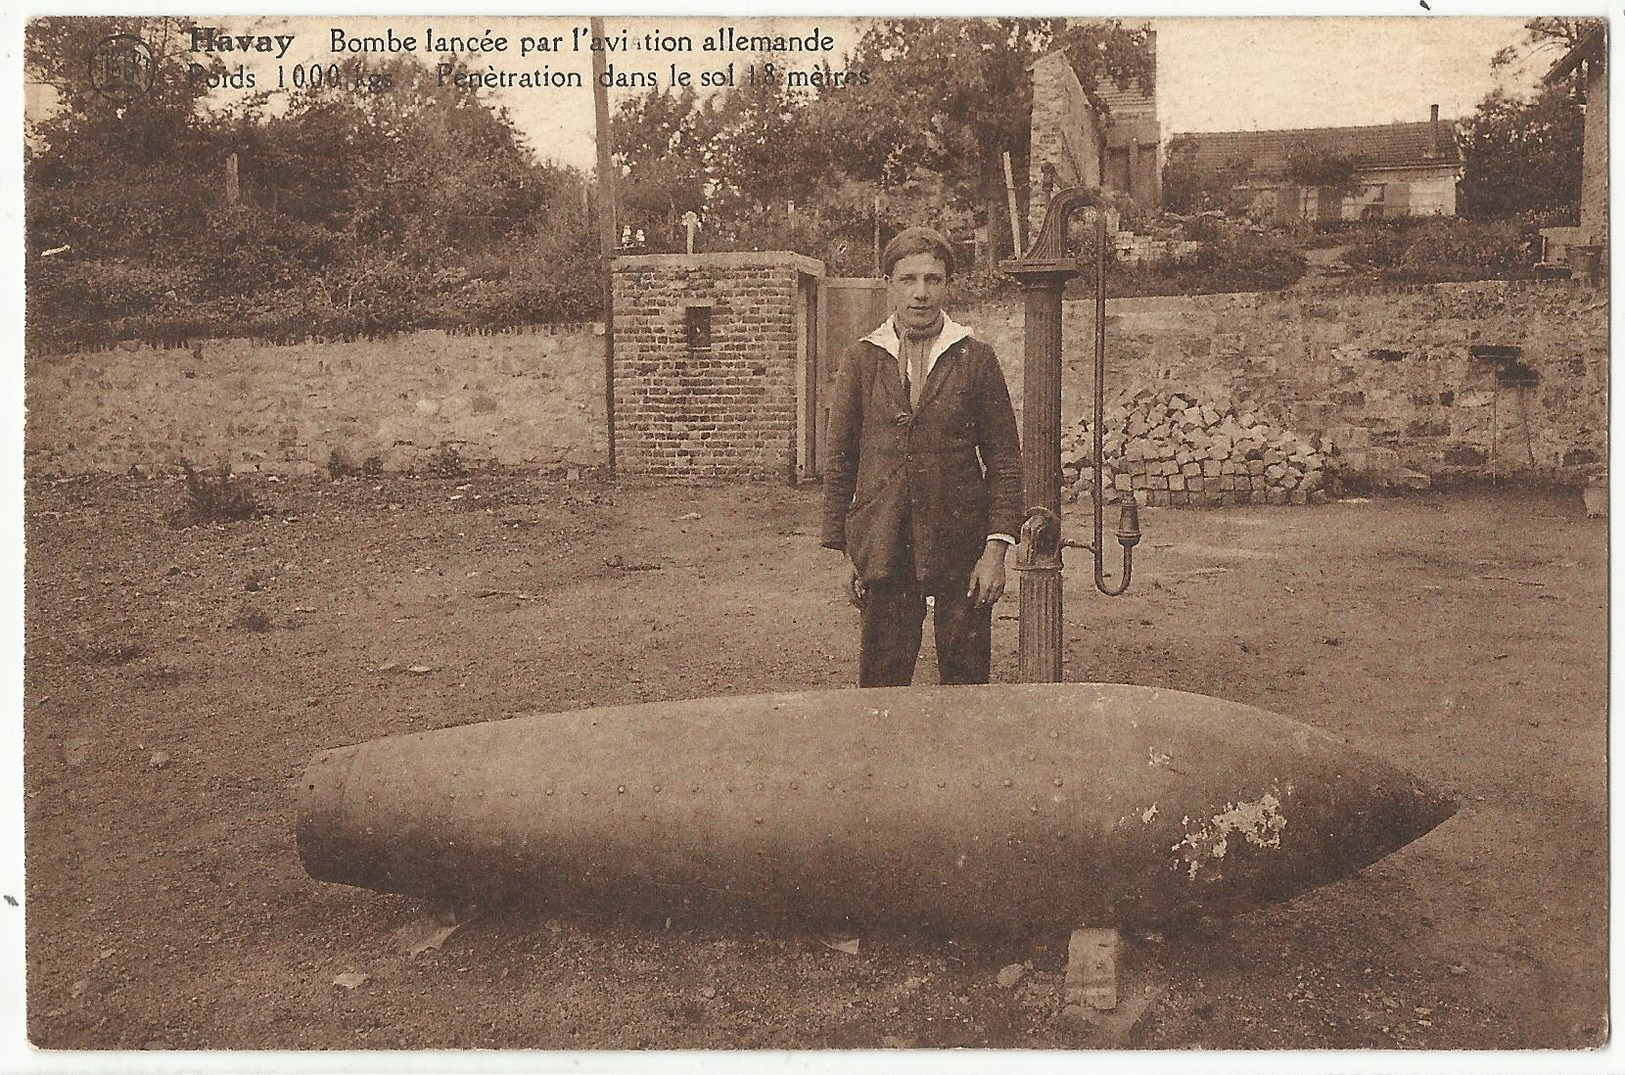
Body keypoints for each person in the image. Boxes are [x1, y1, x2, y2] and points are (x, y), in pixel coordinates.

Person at [820, 226, 1023, 687]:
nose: (920, 293)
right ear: (889, 283)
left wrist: (995, 552)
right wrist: (850, 550)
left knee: (965, 682)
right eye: (908, 279)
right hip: (887, 543)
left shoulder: (974, 357)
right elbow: (841, 460)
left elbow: (1006, 462)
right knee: (882, 686)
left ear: (947, 284)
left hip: (960, 544)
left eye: (932, 279)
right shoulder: (862, 358)